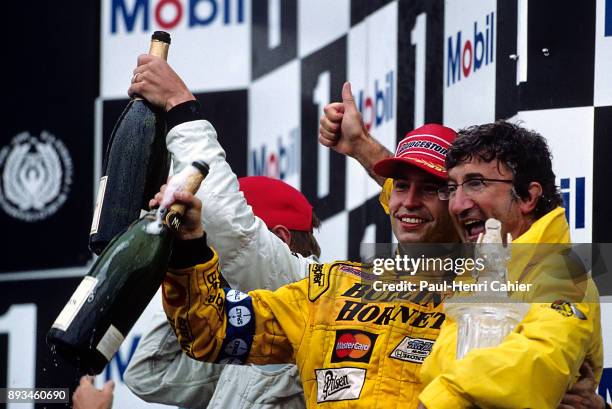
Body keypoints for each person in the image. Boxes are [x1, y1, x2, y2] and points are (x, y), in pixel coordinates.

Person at [416, 121, 603, 408]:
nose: (457, 204)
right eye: (452, 188)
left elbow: (537, 360)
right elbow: (438, 370)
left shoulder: (563, 270)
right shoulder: (476, 273)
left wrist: (444, 398)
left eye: (476, 183)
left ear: (528, 196)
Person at [125, 176, 320, 409]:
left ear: (279, 240)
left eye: (221, 243)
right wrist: (187, 266)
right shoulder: (248, 329)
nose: (210, 253)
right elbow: (147, 375)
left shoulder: (313, 308)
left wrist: (203, 263)